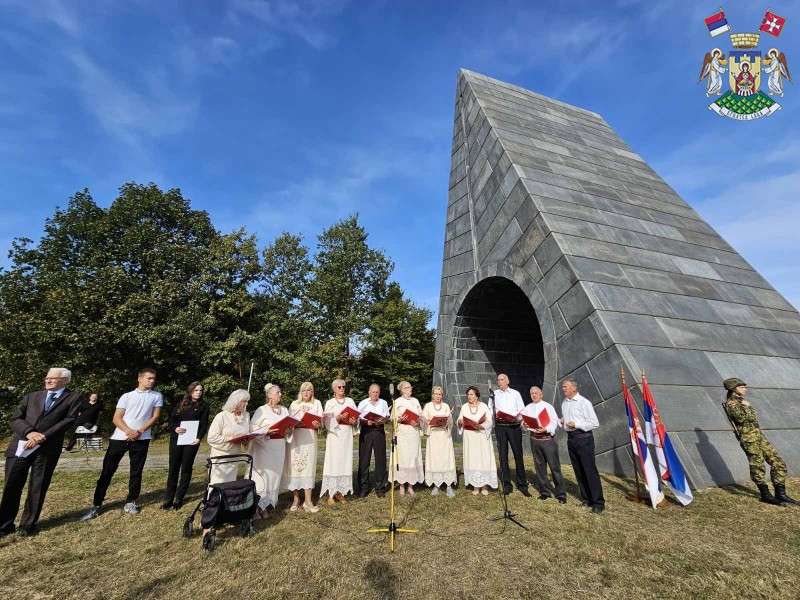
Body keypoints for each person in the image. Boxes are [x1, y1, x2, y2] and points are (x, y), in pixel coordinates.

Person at [0, 368, 83, 537]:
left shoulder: (74, 397)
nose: (48, 380)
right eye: (47, 377)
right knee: (11, 485)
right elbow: (15, 418)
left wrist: (43, 436)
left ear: (65, 381)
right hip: (21, 446)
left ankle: (27, 525)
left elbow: (70, 420)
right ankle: (4, 526)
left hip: (46, 449)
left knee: (37, 487)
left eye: (53, 378)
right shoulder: (32, 396)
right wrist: (30, 432)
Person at [81, 368, 163, 520]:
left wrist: (139, 432)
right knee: (107, 471)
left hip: (141, 439)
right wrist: (129, 431)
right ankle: (96, 505)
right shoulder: (127, 396)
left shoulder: (157, 396)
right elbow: (117, 418)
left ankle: (131, 501)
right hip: (119, 438)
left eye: (154, 379)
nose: (152, 381)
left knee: (136, 472)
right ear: (140, 379)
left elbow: (155, 416)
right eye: (149, 378)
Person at [723, 378, 798, 506]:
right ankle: (765, 495)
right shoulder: (732, 403)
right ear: (733, 389)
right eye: (741, 387)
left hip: (759, 436)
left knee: (778, 462)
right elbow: (740, 418)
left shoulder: (742, 402)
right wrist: (747, 407)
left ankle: (781, 494)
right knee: (758, 466)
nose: (744, 389)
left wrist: (746, 406)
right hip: (748, 439)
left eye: (744, 387)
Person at [161, 381, 209, 510]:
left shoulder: (204, 406)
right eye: (196, 390)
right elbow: (171, 422)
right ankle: (168, 499)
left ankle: (179, 498)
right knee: (173, 469)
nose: (198, 392)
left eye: (200, 390)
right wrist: (175, 428)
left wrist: (199, 438)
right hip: (177, 439)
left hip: (192, 441)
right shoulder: (181, 404)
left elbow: (204, 424)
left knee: (186, 468)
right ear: (190, 391)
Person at [560, 379, 604, 514]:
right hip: (571, 439)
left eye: (565, 387)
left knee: (589, 470)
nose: (563, 389)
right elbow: (568, 421)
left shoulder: (584, 402)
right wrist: (563, 422)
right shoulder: (564, 402)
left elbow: (594, 423)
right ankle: (586, 498)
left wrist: (576, 425)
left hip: (584, 439)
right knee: (578, 470)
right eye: (562, 387)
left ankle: (598, 503)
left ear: (574, 388)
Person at [251, 383, 294, 518]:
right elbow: (252, 428)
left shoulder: (285, 410)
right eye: (277, 392)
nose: (280, 394)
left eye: (280, 392)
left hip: (279, 447)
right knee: (262, 476)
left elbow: (289, 426)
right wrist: (267, 431)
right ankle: (255, 507)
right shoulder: (261, 410)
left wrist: (289, 430)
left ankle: (265, 506)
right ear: (269, 395)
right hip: (264, 447)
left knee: (274, 476)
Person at [282, 381, 323, 512]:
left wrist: (318, 424)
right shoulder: (294, 404)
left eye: (309, 390)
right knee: (295, 467)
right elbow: (288, 421)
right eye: (303, 390)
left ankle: (308, 500)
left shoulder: (316, 403)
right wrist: (294, 424)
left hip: (309, 437)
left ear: (312, 392)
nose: (306, 393)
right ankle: (296, 499)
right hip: (296, 438)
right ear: (300, 392)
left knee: (308, 466)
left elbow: (321, 420)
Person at [521, 386, 565, 504]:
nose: (534, 395)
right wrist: (524, 425)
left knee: (554, 467)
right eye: (532, 394)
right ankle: (545, 492)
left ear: (541, 395)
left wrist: (546, 428)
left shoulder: (548, 406)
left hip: (547, 440)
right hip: (534, 440)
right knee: (539, 467)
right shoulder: (528, 407)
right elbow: (523, 423)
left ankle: (561, 494)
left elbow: (555, 422)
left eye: (536, 393)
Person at [491, 374, 531, 497]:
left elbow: (522, 410)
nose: (499, 381)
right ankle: (507, 485)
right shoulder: (494, 394)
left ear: (508, 381)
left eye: (502, 379)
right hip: (501, 427)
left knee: (518, 455)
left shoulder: (515, 394)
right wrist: (494, 415)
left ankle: (522, 485)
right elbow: (490, 409)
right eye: (498, 380)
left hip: (513, 427)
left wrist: (515, 417)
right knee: (503, 457)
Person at [320, 379, 358, 505]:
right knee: (333, 462)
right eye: (339, 387)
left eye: (343, 387)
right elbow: (325, 421)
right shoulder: (330, 403)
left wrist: (354, 421)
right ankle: (331, 493)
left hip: (346, 435)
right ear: (334, 389)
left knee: (344, 462)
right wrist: (337, 418)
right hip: (334, 436)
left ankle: (341, 492)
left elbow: (356, 417)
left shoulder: (350, 401)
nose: (342, 389)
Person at [457, 385, 497, 495]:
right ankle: (475, 485)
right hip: (470, 437)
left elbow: (489, 421)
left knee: (483, 459)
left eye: (471, 394)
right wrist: (460, 422)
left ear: (477, 396)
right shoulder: (464, 407)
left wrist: (481, 426)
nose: (469, 396)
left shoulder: (484, 406)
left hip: (481, 436)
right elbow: (459, 420)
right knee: (472, 458)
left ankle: (484, 485)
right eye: (468, 394)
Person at [206, 389, 251, 486]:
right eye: (244, 401)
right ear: (236, 401)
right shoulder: (221, 416)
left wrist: (245, 440)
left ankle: (226, 501)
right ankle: (213, 500)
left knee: (230, 484)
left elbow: (246, 435)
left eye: (247, 401)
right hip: (221, 456)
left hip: (234, 456)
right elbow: (211, 438)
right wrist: (231, 440)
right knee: (217, 483)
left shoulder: (246, 416)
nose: (246, 404)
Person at [356, 383, 390, 499]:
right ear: (369, 392)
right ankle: (363, 488)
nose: (375, 394)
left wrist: (384, 420)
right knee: (364, 460)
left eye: (377, 392)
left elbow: (388, 417)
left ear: (379, 393)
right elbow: (357, 419)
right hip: (366, 431)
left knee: (380, 460)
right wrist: (366, 422)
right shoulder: (363, 403)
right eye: (373, 392)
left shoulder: (383, 403)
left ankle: (380, 487)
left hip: (379, 431)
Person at [422, 385, 457, 497]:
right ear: (432, 395)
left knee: (446, 459)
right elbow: (422, 421)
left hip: (444, 436)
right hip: (433, 436)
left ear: (442, 395)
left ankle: (449, 486)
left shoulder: (446, 406)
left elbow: (450, 422)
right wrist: (427, 421)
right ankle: (436, 485)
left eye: (439, 394)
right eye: (435, 394)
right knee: (435, 460)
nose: (437, 396)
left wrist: (447, 422)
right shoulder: (428, 406)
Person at [393, 380, 425, 496]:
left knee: (413, 456)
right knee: (402, 457)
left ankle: (411, 485)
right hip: (402, 432)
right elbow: (392, 418)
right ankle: (401, 485)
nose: (410, 389)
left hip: (413, 432)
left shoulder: (415, 401)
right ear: (401, 390)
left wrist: (418, 422)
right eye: (406, 387)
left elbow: (421, 417)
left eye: (410, 387)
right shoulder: (397, 401)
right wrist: (400, 419)